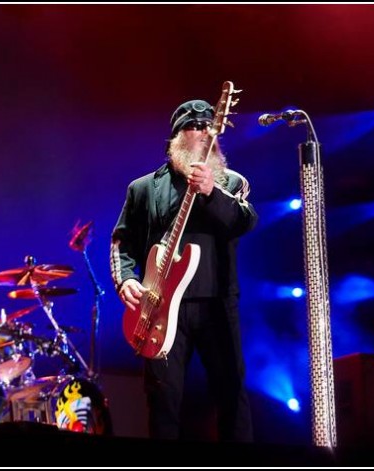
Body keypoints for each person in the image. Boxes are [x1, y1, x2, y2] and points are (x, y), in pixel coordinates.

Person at [110, 98, 257, 442]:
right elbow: (121, 242)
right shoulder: (143, 188)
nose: (205, 134)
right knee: (163, 402)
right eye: (195, 127)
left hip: (216, 305)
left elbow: (245, 222)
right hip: (159, 307)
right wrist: (126, 280)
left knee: (231, 396)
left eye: (210, 127)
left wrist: (211, 192)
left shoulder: (232, 183)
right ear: (176, 137)